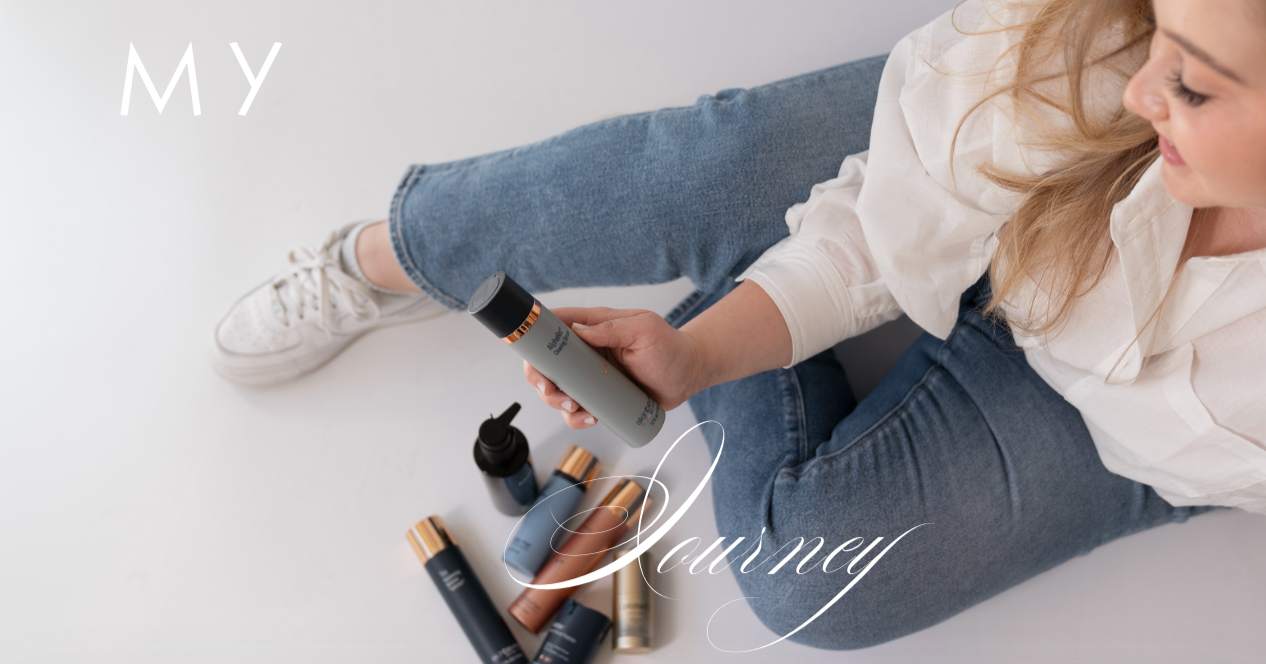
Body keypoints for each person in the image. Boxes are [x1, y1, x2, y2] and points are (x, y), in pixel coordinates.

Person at [209, 0, 1266, 650]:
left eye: (1193, 81)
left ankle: (742, 255)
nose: (1142, 86)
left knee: (816, 581)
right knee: (702, 173)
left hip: (1129, 433)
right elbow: (885, 222)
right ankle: (394, 250)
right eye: (1162, 38)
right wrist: (701, 354)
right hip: (1019, 193)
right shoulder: (1108, 53)